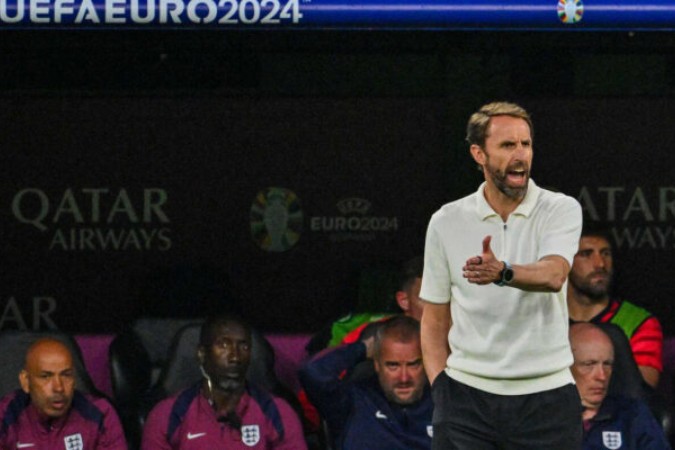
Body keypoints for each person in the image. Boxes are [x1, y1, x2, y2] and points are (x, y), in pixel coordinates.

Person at [420, 101, 583, 449]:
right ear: (479, 153)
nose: (520, 155)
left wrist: (503, 272)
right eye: (508, 145)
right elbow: (434, 316)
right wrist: (441, 389)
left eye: (526, 144)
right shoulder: (446, 220)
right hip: (466, 401)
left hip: (547, 399)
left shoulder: (560, 209)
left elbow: (554, 274)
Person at [141, 314, 307, 450]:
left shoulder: (278, 413)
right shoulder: (168, 415)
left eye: (243, 347)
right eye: (223, 345)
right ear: (201, 353)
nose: (235, 357)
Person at [299, 315, 433, 450]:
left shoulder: (444, 405)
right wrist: (362, 349)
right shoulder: (352, 401)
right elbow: (312, 372)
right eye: (393, 365)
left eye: (413, 365)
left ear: (426, 364)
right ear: (377, 365)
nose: (404, 378)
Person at [567, 228, 663, 388]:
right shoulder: (542, 319)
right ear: (564, 262)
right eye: (586, 254)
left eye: (605, 253)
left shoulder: (640, 322)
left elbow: (641, 395)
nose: (600, 264)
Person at [0, 337, 127, 449]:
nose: (59, 388)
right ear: (26, 381)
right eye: (46, 376)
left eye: (66, 375)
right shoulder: (5, 415)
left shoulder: (100, 414)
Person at [570, 322, 670, 449]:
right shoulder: (548, 417)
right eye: (589, 364)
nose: (602, 376)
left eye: (607, 364)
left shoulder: (633, 416)